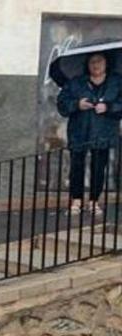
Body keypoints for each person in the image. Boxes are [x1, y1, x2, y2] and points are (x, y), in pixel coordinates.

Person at [56, 52, 122, 217]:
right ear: (87, 64)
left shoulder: (117, 82)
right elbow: (62, 104)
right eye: (92, 61)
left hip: (103, 132)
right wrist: (77, 104)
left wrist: (109, 107)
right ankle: (76, 200)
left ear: (107, 63)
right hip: (79, 131)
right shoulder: (76, 82)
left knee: (99, 167)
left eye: (100, 61)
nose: (96, 65)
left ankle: (94, 201)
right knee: (76, 167)